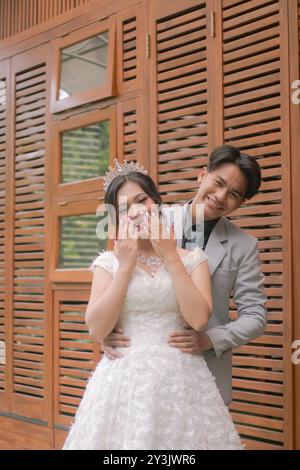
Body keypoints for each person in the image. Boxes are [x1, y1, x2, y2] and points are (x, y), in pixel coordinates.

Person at [62, 160, 243, 450]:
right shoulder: (108, 263)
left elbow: (198, 320)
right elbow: (96, 328)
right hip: (122, 383)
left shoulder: (192, 259)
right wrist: (125, 267)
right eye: (123, 208)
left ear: (157, 203)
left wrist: (170, 255)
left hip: (181, 382)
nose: (134, 212)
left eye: (141, 200)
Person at [104, 145, 268, 406]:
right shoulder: (149, 213)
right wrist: (108, 332)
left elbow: (256, 317)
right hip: (143, 370)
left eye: (233, 194)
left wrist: (210, 339)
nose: (220, 196)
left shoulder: (244, 246)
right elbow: (115, 272)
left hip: (207, 370)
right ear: (203, 175)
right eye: (218, 182)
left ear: (241, 202)